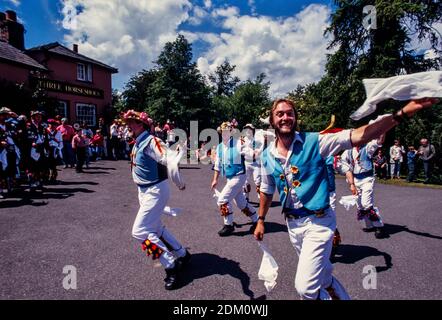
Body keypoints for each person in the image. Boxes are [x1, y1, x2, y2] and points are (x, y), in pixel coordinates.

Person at [254, 97, 438, 300]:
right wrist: (261, 220)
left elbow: (358, 136)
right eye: (280, 114)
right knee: (323, 279)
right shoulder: (266, 156)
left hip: (318, 222)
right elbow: (267, 189)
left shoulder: (316, 141)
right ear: (272, 120)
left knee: (305, 288)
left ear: (296, 117)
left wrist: (400, 114)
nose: (285, 117)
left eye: (290, 113)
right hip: (293, 225)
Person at [123, 109, 190, 290]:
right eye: (128, 121)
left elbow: (169, 159)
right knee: (155, 227)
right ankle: (182, 254)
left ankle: (171, 264)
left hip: (155, 190)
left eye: (131, 122)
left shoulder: (152, 141)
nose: (128, 125)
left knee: (139, 232)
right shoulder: (138, 141)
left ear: (141, 125)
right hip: (144, 190)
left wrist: (179, 179)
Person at [211, 122, 258, 237]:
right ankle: (257, 220)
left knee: (222, 200)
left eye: (227, 131)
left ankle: (229, 225)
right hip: (230, 178)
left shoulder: (238, 143)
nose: (225, 133)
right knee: (241, 203)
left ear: (231, 132)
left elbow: (250, 154)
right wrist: (215, 179)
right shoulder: (220, 147)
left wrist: (254, 154)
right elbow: (217, 164)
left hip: (239, 176)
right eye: (223, 132)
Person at [341, 134, 387, 239]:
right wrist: (351, 183)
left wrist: (383, 130)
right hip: (356, 179)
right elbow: (344, 165)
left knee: (367, 204)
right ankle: (369, 225)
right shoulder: (348, 151)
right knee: (360, 205)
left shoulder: (368, 147)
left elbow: (379, 141)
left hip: (367, 178)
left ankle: (379, 227)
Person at [241, 123, 263, 202]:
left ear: (252, 130)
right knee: (245, 181)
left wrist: (257, 152)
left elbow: (261, 148)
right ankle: (246, 197)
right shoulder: (242, 140)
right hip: (246, 163)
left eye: (249, 129)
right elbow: (240, 150)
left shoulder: (257, 139)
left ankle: (261, 197)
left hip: (256, 163)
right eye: (246, 129)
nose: (248, 131)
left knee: (258, 181)